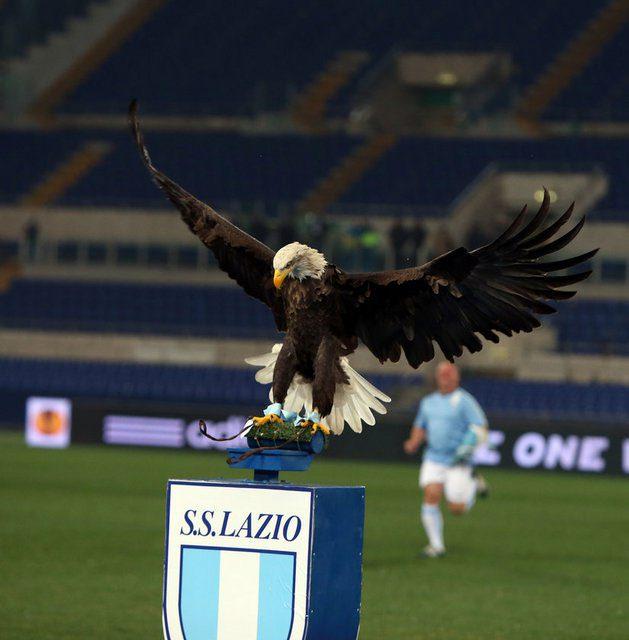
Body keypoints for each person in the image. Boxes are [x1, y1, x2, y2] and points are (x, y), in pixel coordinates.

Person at [403, 362, 489, 557]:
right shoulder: (428, 402)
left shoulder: (464, 401)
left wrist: (471, 443)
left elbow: (480, 426)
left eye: (449, 373)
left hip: (458, 461)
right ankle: (436, 546)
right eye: (442, 373)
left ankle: (474, 483)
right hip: (433, 457)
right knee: (431, 494)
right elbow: (420, 425)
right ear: (436, 377)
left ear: (457, 377)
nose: (445, 376)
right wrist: (414, 441)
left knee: (457, 509)